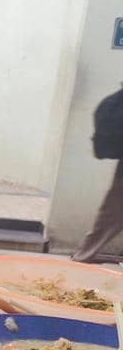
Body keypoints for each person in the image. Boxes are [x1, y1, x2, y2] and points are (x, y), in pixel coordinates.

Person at [73, 84, 123, 262]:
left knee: (110, 216)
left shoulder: (113, 102)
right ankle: (82, 256)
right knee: (111, 215)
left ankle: (83, 256)